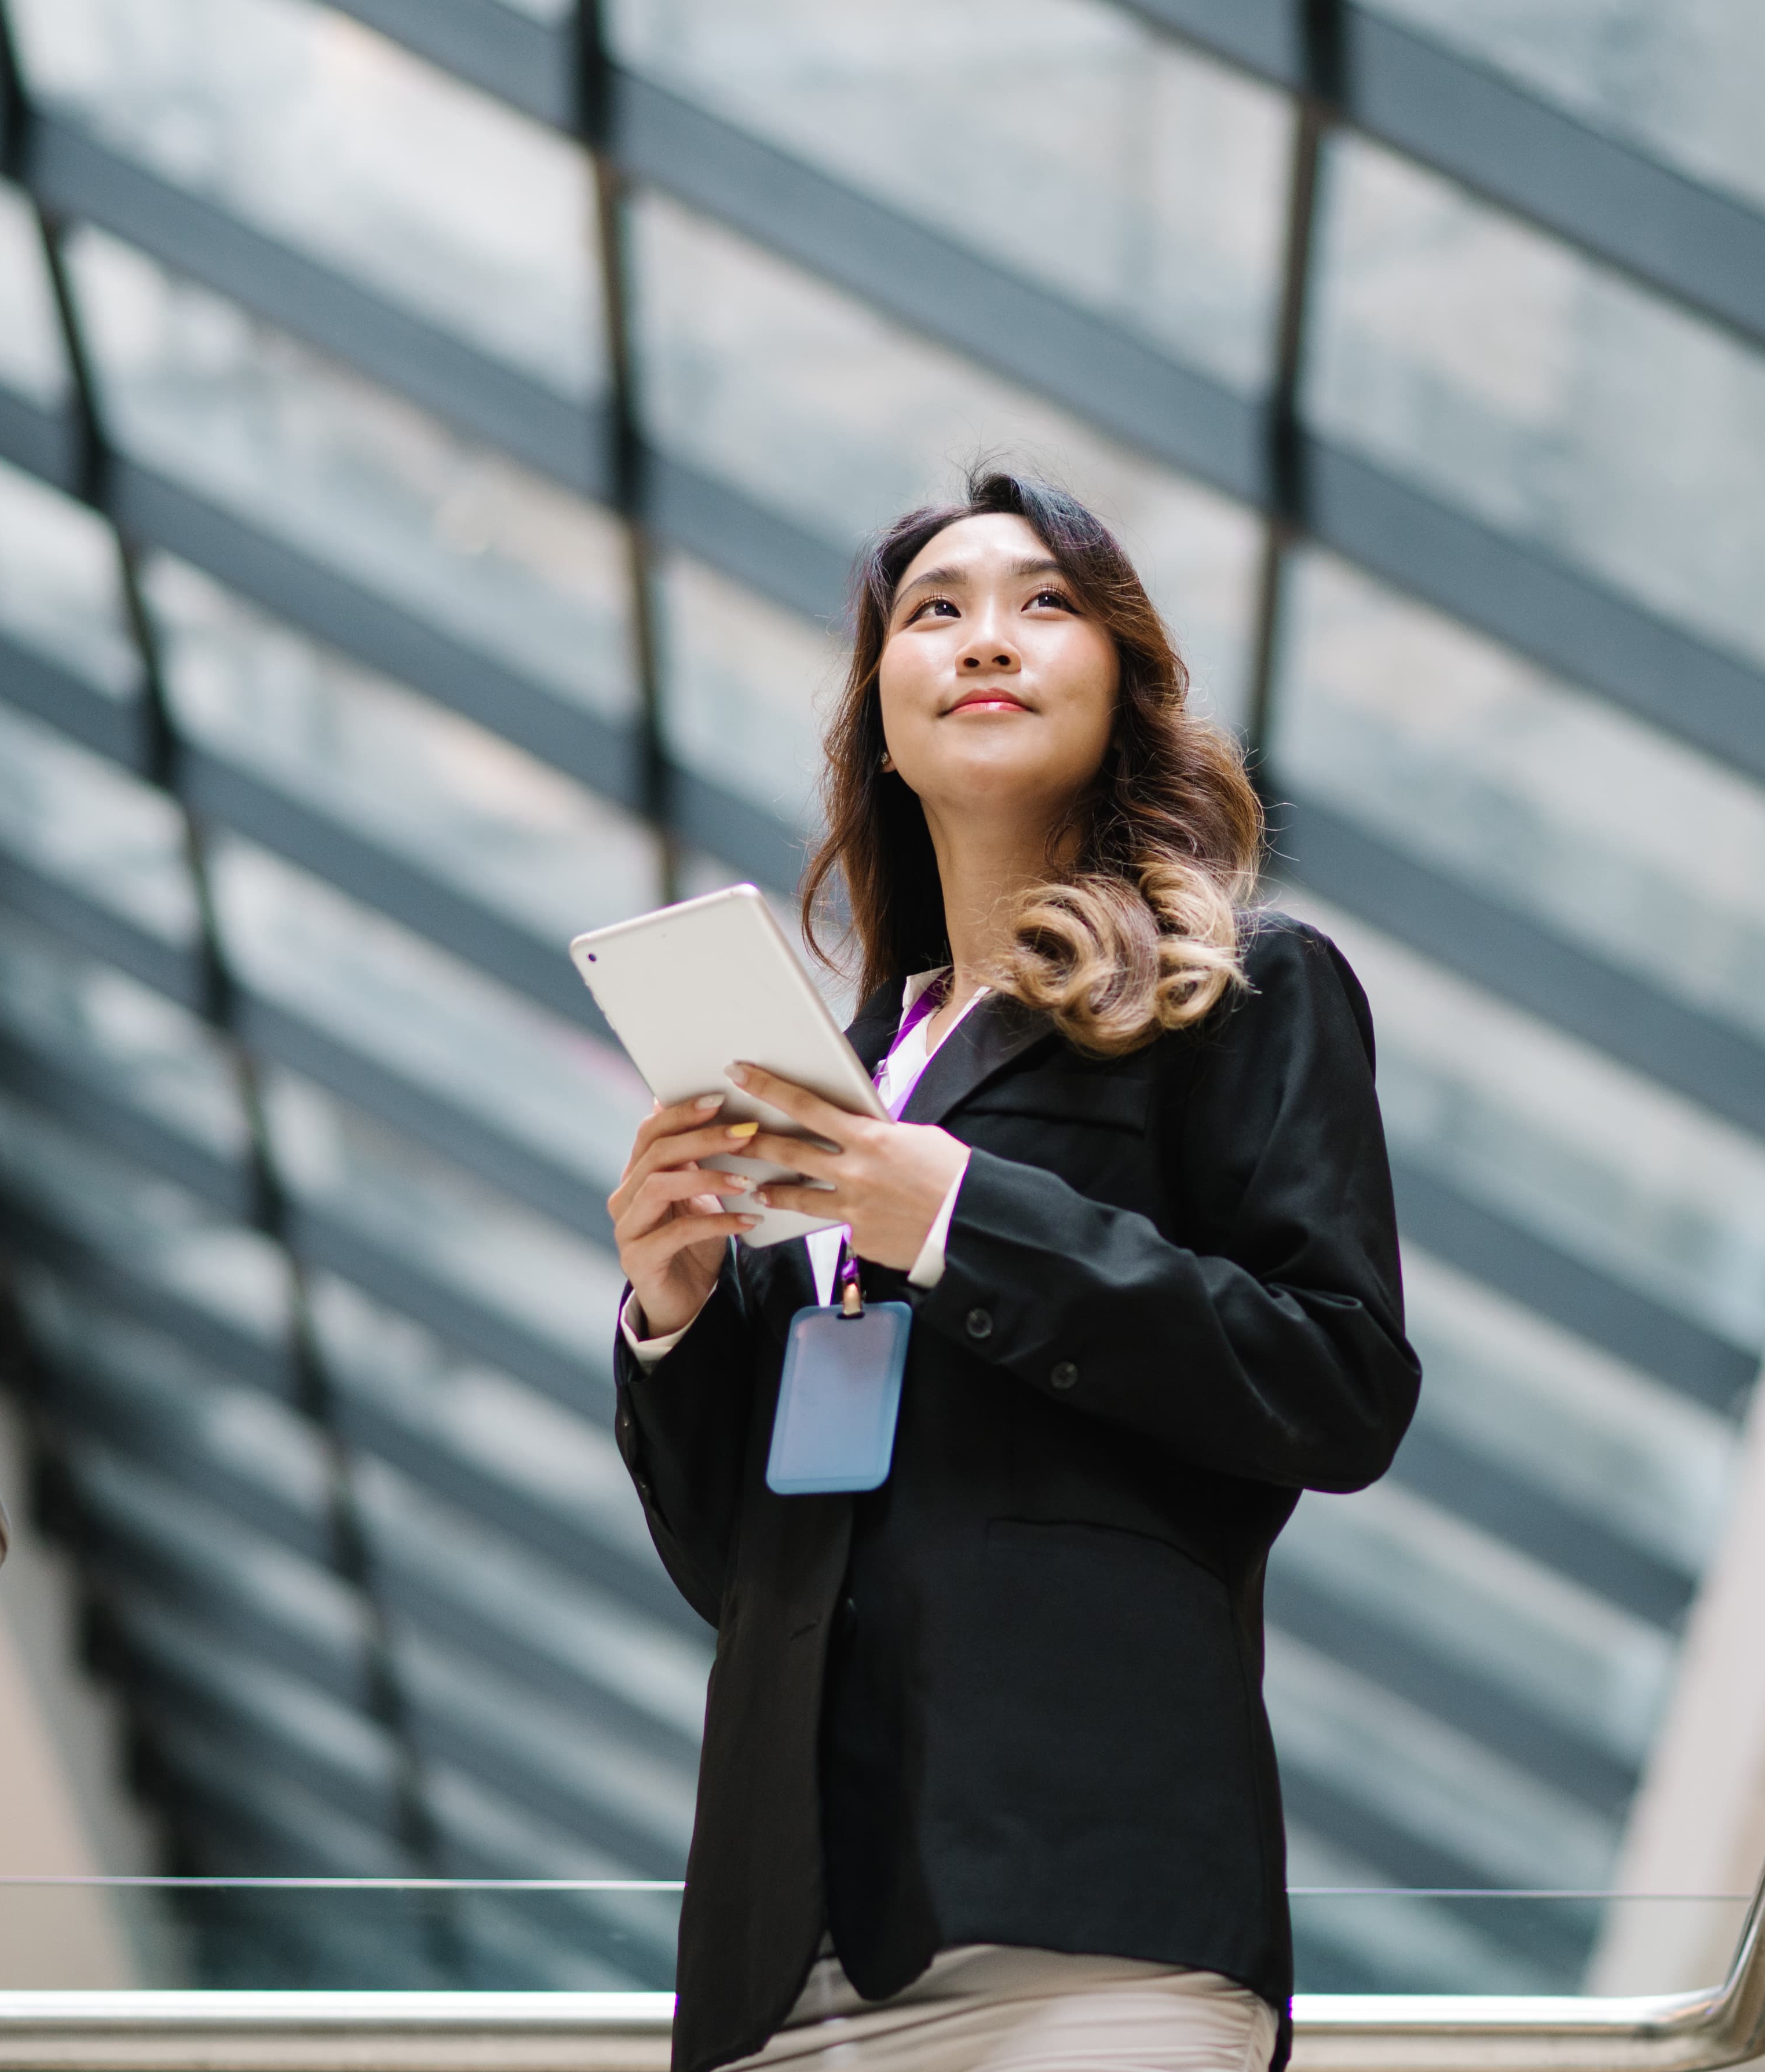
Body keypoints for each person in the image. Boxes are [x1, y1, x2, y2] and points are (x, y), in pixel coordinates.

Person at [605, 467, 1420, 2072]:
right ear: (882, 727)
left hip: (1087, 1914)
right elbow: (744, 1570)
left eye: (1046, 604)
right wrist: (677, 1317)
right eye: (936, 613)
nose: (988, 639)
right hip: (787, 1954)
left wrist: (961, 1220)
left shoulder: (1241, 991)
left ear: (1125, 690)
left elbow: (1337, 1384)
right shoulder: (817, 1085)